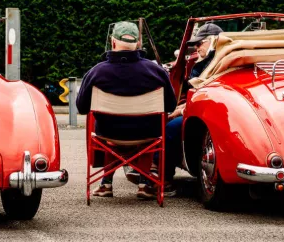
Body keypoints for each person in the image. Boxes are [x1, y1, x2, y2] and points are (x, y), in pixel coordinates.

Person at [76, 21, 177, 199]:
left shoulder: (96, 72)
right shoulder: (156, 71)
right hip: (147, 136)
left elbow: (82, 107)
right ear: (138, 44)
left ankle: (106, 184)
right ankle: (145, 185)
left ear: (113, 42)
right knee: (149, 129)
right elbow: (170, 106)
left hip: (108, 135)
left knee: (108, 126)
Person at [150, 22, 223, 196]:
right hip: (201, 107)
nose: (196, 47)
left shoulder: (217, 61)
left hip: (210, 110)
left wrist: (183, 110)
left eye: (200, 43)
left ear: (214, 41)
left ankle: (164, 177)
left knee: (172, 128)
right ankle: (155, 165)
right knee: (168, 121)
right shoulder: (205, 61)